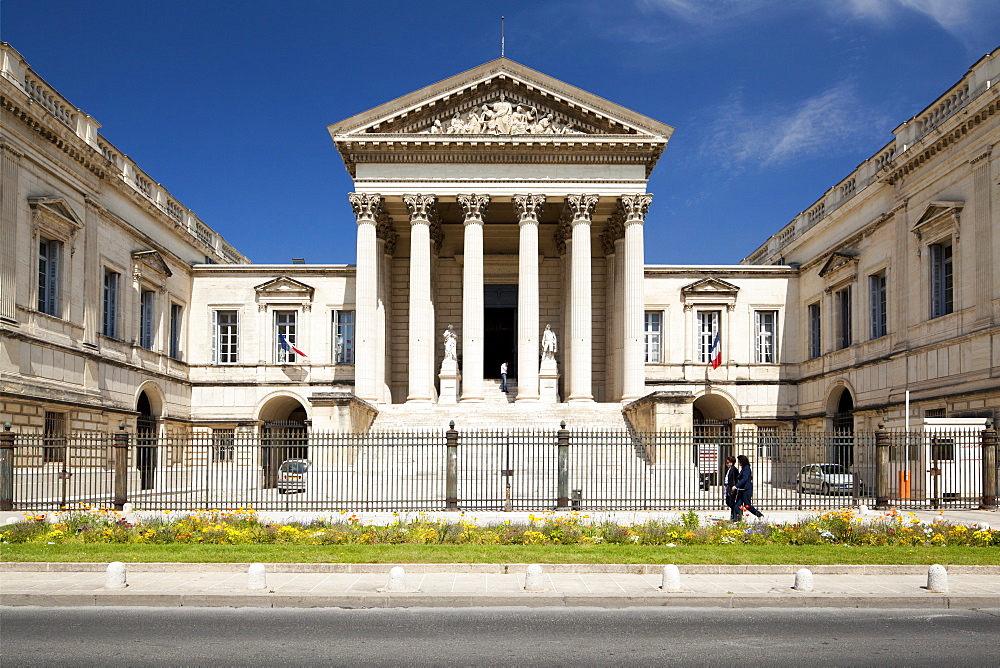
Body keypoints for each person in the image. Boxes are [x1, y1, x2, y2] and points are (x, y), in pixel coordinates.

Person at [734, 454, 764, 519]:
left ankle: (759, 514)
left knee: (747, 505)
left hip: (746, 489)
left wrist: (736, 486)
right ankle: (737, 519)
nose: (738, 463)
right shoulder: (743, 468)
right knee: (737, 505)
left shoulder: (747, 468)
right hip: (741, 489)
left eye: (739, 461)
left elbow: (744, 479)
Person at [723, 455, 740, 522]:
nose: (726, 464)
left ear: (731, 462)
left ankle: (735, 516)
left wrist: (733, 487)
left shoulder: (734, 469)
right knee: (729, 502)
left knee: (731, 502)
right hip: (728, 487)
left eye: (727, 462)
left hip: (731, 487)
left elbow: (734, 480)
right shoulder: (730, 469)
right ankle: (734, 516)